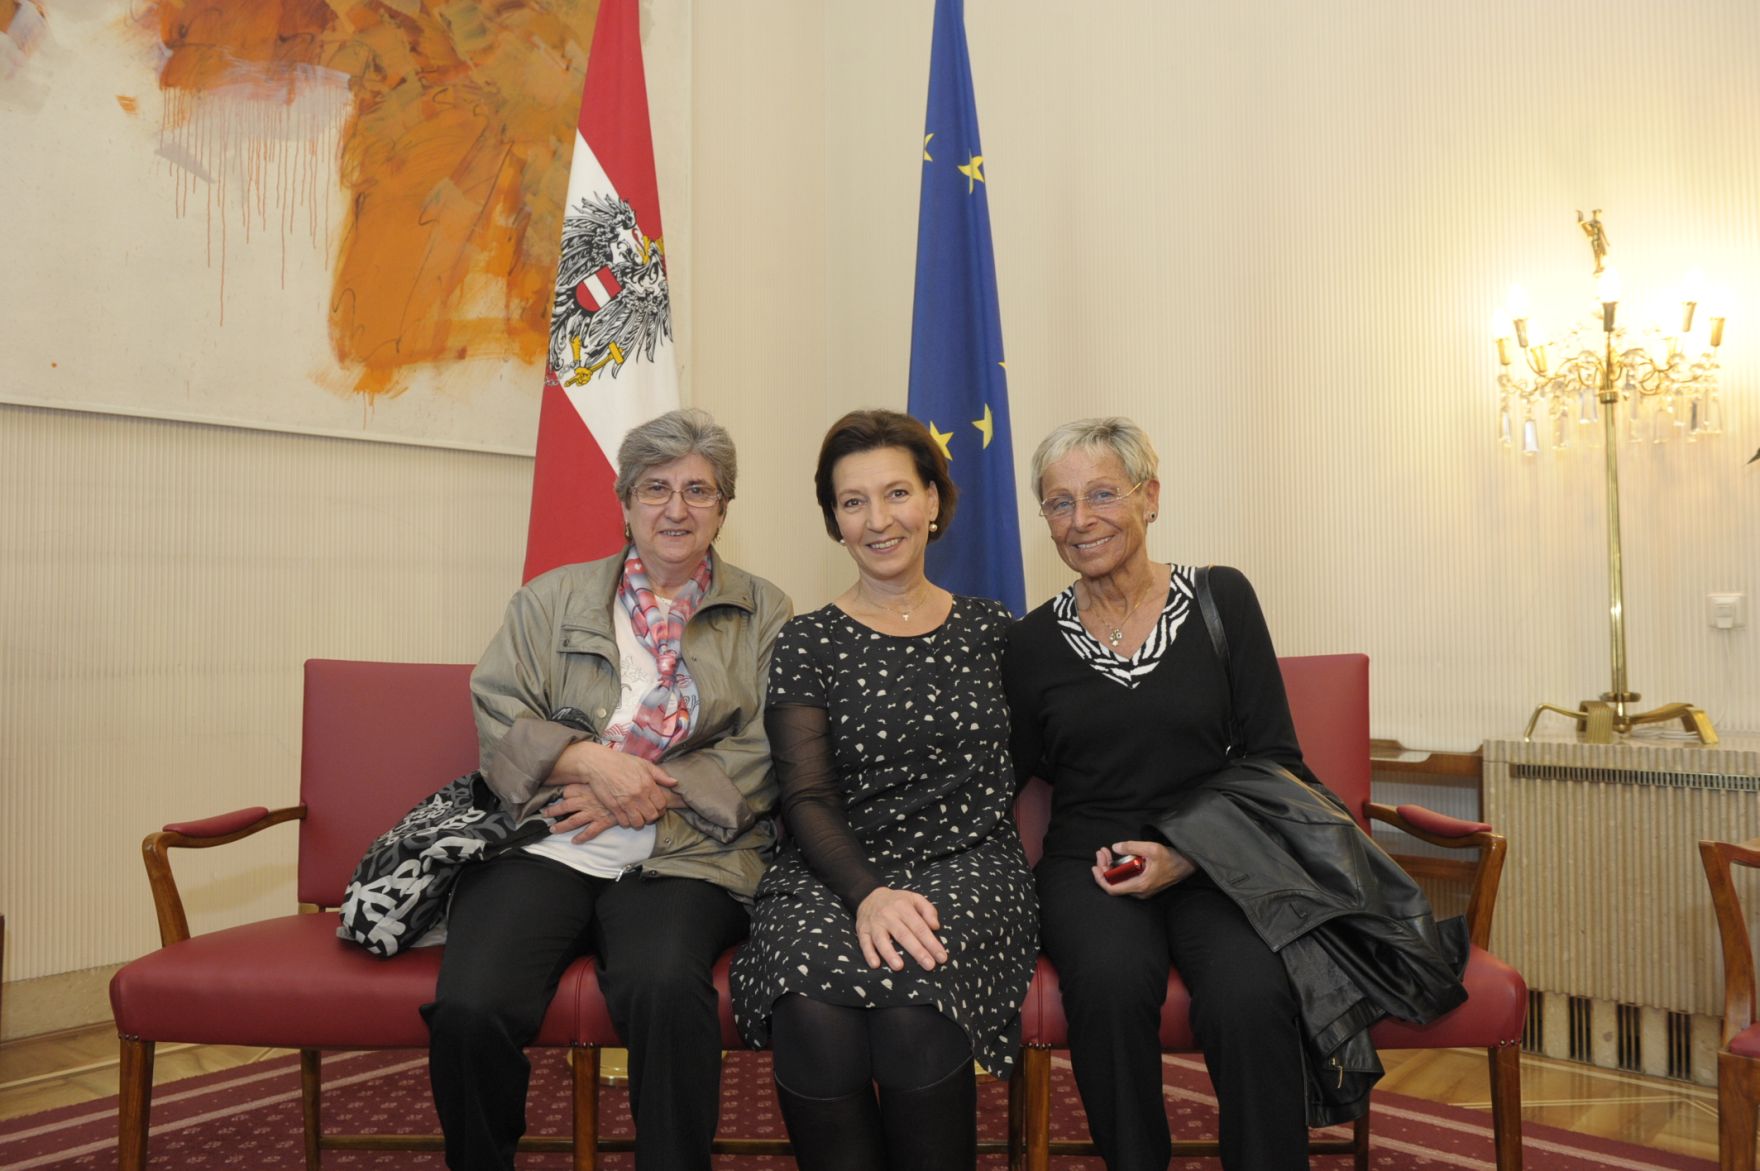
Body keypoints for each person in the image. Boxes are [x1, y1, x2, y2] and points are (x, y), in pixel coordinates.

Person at [1001, 417, 1465, 1171]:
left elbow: (1275, 757)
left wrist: (1183, 853)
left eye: (1102, 494)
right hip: (1091, 862)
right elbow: (1007, 775)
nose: (1080, 520)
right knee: (1112, 985)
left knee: (1249, 994)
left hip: (1224, 858)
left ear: (1150, 497)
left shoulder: (1220, 597)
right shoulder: (1029, 644)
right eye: (1058, 503)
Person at [423, 408, 791, 1171]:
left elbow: (770, 744)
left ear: (724, 507)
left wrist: (649, 789)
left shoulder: (767, 612)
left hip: (689, 854)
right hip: (548, 839)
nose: (676, 508)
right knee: (471, 1004)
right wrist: (593, 764)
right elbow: (499, 717)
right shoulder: (547, 600)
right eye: (656, 488)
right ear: (624, 500)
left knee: (663, 989)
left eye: (699, 489)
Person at [730, 409, 1037, 1171]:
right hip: (834, 868)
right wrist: (868, 891)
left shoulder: (995, 630)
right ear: (834, 520)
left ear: (934, 500)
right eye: (853, 501)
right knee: (808, 1004)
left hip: (968, 863)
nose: (878, 519)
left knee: (913, 1003)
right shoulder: (808, 640)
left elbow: (1045, 747)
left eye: (897, 492)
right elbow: (804, 797)